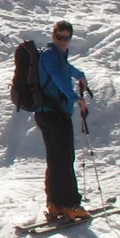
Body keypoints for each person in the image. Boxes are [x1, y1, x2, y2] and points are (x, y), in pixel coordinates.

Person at [35, 22, 91, 222]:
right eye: (59, 37)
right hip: (55, 113)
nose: (62, 41)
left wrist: (80, 75)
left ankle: (55, 203)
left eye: (66, 38)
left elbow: (66, 69)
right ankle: (70, 205)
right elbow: (58, 76)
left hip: (47, 113)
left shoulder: (55, 55)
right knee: (65, 159)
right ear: (53, 35)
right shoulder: (50, 55)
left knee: (56, 159)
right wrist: (76, 98)